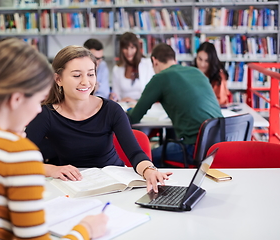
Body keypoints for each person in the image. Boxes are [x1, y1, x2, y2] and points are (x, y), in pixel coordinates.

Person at [0, 39, 108, 240]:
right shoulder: (17, 154)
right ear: (16, 100)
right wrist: (86, 230)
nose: (39, 109)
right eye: (38, 101)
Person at [25, 45, 171, 192]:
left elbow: (135, 153)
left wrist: (149, 170)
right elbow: (20, 157)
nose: (85, 82)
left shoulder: (111, 110)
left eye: (90, 74)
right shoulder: (46, 114)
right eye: (77, 75)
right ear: (58, 79)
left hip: (116, 184)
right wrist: (51, 170)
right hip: (75, 186)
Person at [127, 43, 223, 167]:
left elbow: (134, 117)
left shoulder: (160, 78)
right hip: (219, 146)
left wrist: (127, 110)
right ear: (174, 59)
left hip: (194, 148)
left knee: (143, 158)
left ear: (154, 61)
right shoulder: (196, 72)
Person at [110, 32, 154, 102]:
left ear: (137, 48)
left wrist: (135, 102)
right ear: (121, 49)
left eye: (132, 47)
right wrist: (115, 98)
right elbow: (116, 94)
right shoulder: (117, 68)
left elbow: (152, 92)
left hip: (143, 105)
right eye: (125, 48)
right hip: (124, 105)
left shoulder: (147, 64)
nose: (129, 52)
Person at [194, 41, 232, 106]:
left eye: (206, 61)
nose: (202, 64)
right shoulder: (193, 71)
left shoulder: (219, 76)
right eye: (200, 59)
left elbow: (220, 101)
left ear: (211, 61)